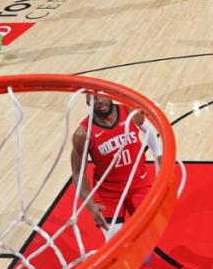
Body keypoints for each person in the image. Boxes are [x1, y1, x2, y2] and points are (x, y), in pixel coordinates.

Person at [69, 94, 163, 246]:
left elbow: (148, 128)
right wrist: (91, 204)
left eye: (101, 95)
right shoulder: (83, 133)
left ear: (109, 95)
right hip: (108, 192)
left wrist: (157, 152)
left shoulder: (130, 112)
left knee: (148, 228)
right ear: (87, 102)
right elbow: (77, 172)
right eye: (93, 98)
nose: (100, 101)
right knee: (116, 244)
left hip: (137, 183)